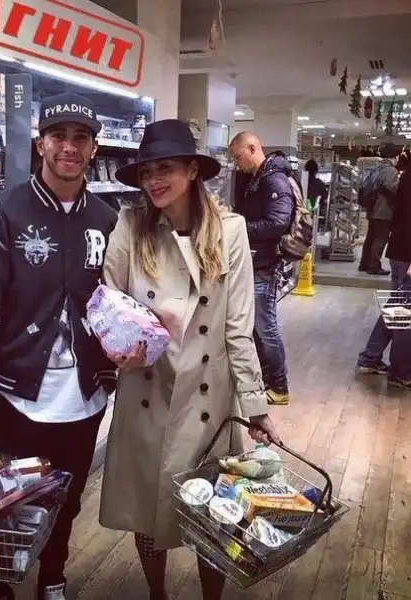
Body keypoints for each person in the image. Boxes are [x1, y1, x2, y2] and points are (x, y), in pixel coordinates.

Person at [98, 119, 279, 600]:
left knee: (212, 513)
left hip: (207, 398)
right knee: (146, 511)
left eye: (166, 168)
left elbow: (238, 326)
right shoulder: (130, 226)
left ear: (192, 170)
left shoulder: (230, 231)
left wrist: (255, 406)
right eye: (147, 171)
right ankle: (156, 594)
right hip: (147, 387)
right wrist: (118, 347)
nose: (154, 180)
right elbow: (110, 302)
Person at [0, 92, 119, 600]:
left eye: (81, 138)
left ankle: (53, 579)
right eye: (59, 136)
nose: (69, 147)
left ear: (93, 149)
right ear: (40, 143)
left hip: (84, 397)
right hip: (16, 392)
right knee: (1, 501)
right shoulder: (4, 211)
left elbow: (118, 303)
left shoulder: (108, 218)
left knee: (67, 499)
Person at [229, 131, 294, 405]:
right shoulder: (256, 178)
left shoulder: (273, 179)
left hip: (265, 265)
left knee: (266, 329)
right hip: (256, 261)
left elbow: (278, 222)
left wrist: (239, 227)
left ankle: (280, 387)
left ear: (253, 148)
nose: (236, 163)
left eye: (238, 156)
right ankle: (266, 381)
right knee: (257, 328)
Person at [357, 154, 411, 390]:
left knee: (398, 307)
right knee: (403, 313)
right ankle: (401, 372)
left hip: (402, 250)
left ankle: (370, 358)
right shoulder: (404, 178)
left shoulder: (404, 176)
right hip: (406, 253)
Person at [359, 143, 401, 275]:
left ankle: (364, 264)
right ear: (395, 156)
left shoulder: (377, 168)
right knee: (380, 239)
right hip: (383, 210)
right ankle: (374, 266)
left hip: (372, 208)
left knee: (371, 238)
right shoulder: (391, 170)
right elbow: (390, 187)